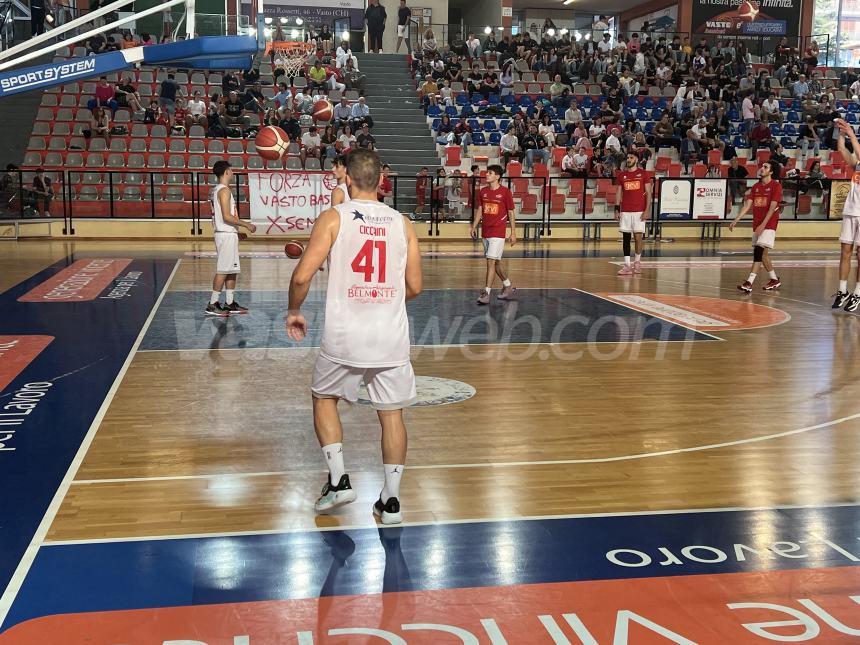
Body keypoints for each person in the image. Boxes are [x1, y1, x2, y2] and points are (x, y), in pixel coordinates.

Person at [286, 149, 422, 525]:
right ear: (382, 180)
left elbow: (301, 277)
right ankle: (391, 502)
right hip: (390, 337)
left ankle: (338, 479)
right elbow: (415, 286)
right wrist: (387, 296)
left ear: (347, 178)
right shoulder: (403, 222)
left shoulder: (333, 218)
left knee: (323, 398)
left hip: (346, 336)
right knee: (391, 415)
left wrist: (294, 310)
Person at [206, 161, 256, 316]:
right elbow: (227, 216)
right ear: (226, 172)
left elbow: (222, 217)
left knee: (232, 269)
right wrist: (245, 224)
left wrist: (236, 231)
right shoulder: (224, 191)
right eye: (231, 170)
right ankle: (212, 304)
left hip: (227, 233)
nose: (233, 173)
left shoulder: (217, 190)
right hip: (225, 234)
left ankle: (229, 303)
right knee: (222, 270)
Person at [728, 161, 783, 293]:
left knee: (758, 252)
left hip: (768, 224)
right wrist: (736, 219)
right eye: (762, 166)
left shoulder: (776, 186)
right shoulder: (756, 186)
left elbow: (772, 208)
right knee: (763, 255)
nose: (762, 169)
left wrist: (763, 226)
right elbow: (747, 205)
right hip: (757, 224)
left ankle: (749, 282)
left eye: (765, 167)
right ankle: (774, 279)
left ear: (771, 172)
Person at [470, 164, 516, 305]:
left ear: (497, 176)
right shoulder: (483, 191)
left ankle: (486, 293)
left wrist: (513, 232)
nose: (487, 175)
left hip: (498, 232)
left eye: (490, 173)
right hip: (486, 231)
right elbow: (480, 209)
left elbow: (511, 213)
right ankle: (508, 285)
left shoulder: (505, 192)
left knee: (490, 262)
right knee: (495, 264)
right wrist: (474, 225)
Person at [831, 119, 860, 312]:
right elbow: (842, 150)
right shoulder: (857, 164)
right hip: (851, 211)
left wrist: (850, 132)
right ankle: (843, 290)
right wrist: (840, 132)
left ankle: (858, 293)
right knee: (845, 253)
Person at [614, 152, 652, 276]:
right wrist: (616, 209)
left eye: (631, 158)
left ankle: (637, 262)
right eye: (627, 158)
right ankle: (627, 265)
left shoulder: (644, 174)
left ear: (636, 159)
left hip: (639, 211)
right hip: (625, 210)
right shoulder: (622, 175)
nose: (628, 160)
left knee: (638, 238)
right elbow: (618, 193)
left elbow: (648, 194)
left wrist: (647, 210)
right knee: (626, 238)